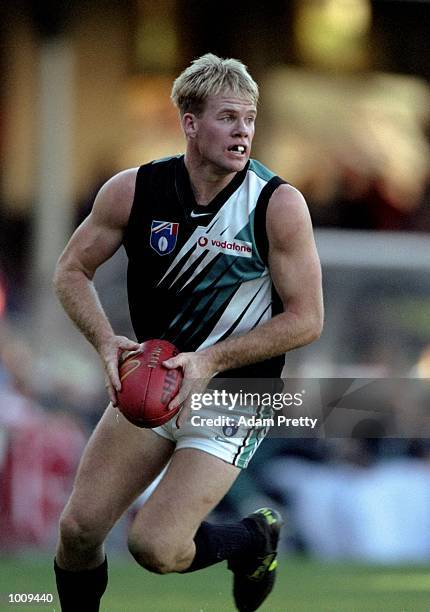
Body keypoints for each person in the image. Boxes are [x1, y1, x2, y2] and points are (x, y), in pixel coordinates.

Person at [53, 53, 323, 612]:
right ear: (190, 123)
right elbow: (71, 271)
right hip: (154, 379)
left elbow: (307, 319)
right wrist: (106, 342)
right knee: (78, 531)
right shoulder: (133, 191)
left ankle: (253, 538)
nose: (243, 131)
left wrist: (208, 362)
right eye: (228, 118)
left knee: (155, 547)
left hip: (234, 393)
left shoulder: (278, 205)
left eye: (249, 119)